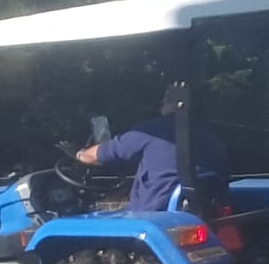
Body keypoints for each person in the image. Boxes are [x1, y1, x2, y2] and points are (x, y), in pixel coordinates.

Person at [76, 88, 230, 212]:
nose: (161, 107)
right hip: (202, 212)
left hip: (154, 213)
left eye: (164, 102)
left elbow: (101, 154)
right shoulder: (209, 134)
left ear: (174, 104)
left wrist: (79, 154)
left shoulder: (152, 132)